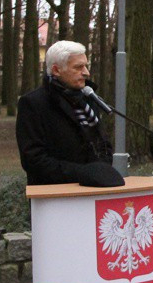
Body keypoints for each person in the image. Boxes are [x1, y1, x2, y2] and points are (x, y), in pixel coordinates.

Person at [16, 41, 123, 187]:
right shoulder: (33, 103)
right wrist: (84, 173)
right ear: (56, 70)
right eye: (78, 67)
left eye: (86, 65)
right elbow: (33, 160)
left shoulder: (88, 99)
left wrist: (101, 172)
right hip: (53, 196)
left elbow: (103, 142)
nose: (86, 72)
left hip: (94, 189)